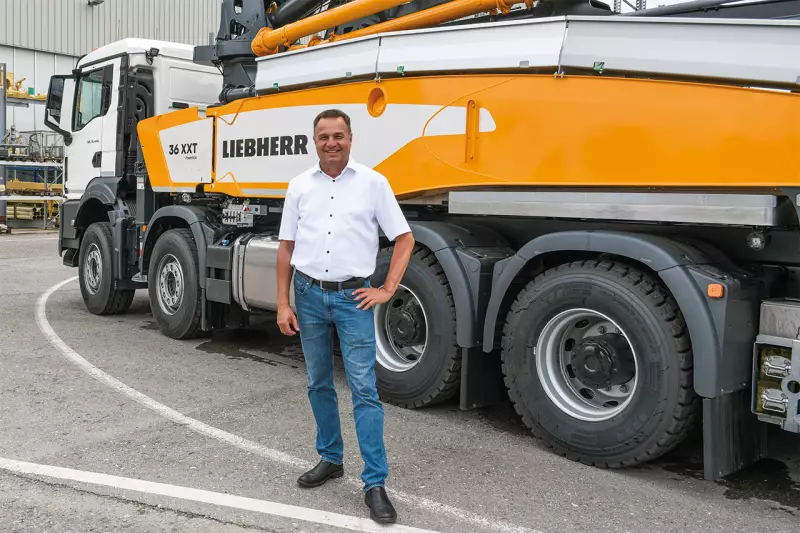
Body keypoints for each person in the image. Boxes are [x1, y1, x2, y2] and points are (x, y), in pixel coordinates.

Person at [275, 108, 415, 524]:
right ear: (313, 141)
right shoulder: (299, 186)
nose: (331, 142)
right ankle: (330, 458)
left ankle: (375, 483)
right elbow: (286, 248)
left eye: (339, 135)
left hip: (354, 299)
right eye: (323, 136)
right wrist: (283, 303)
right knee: (319, 383)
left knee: (364, 391)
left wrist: (387, 288)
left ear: (351, 139)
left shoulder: (374, 184)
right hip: (309, 294)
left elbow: (404, 238)